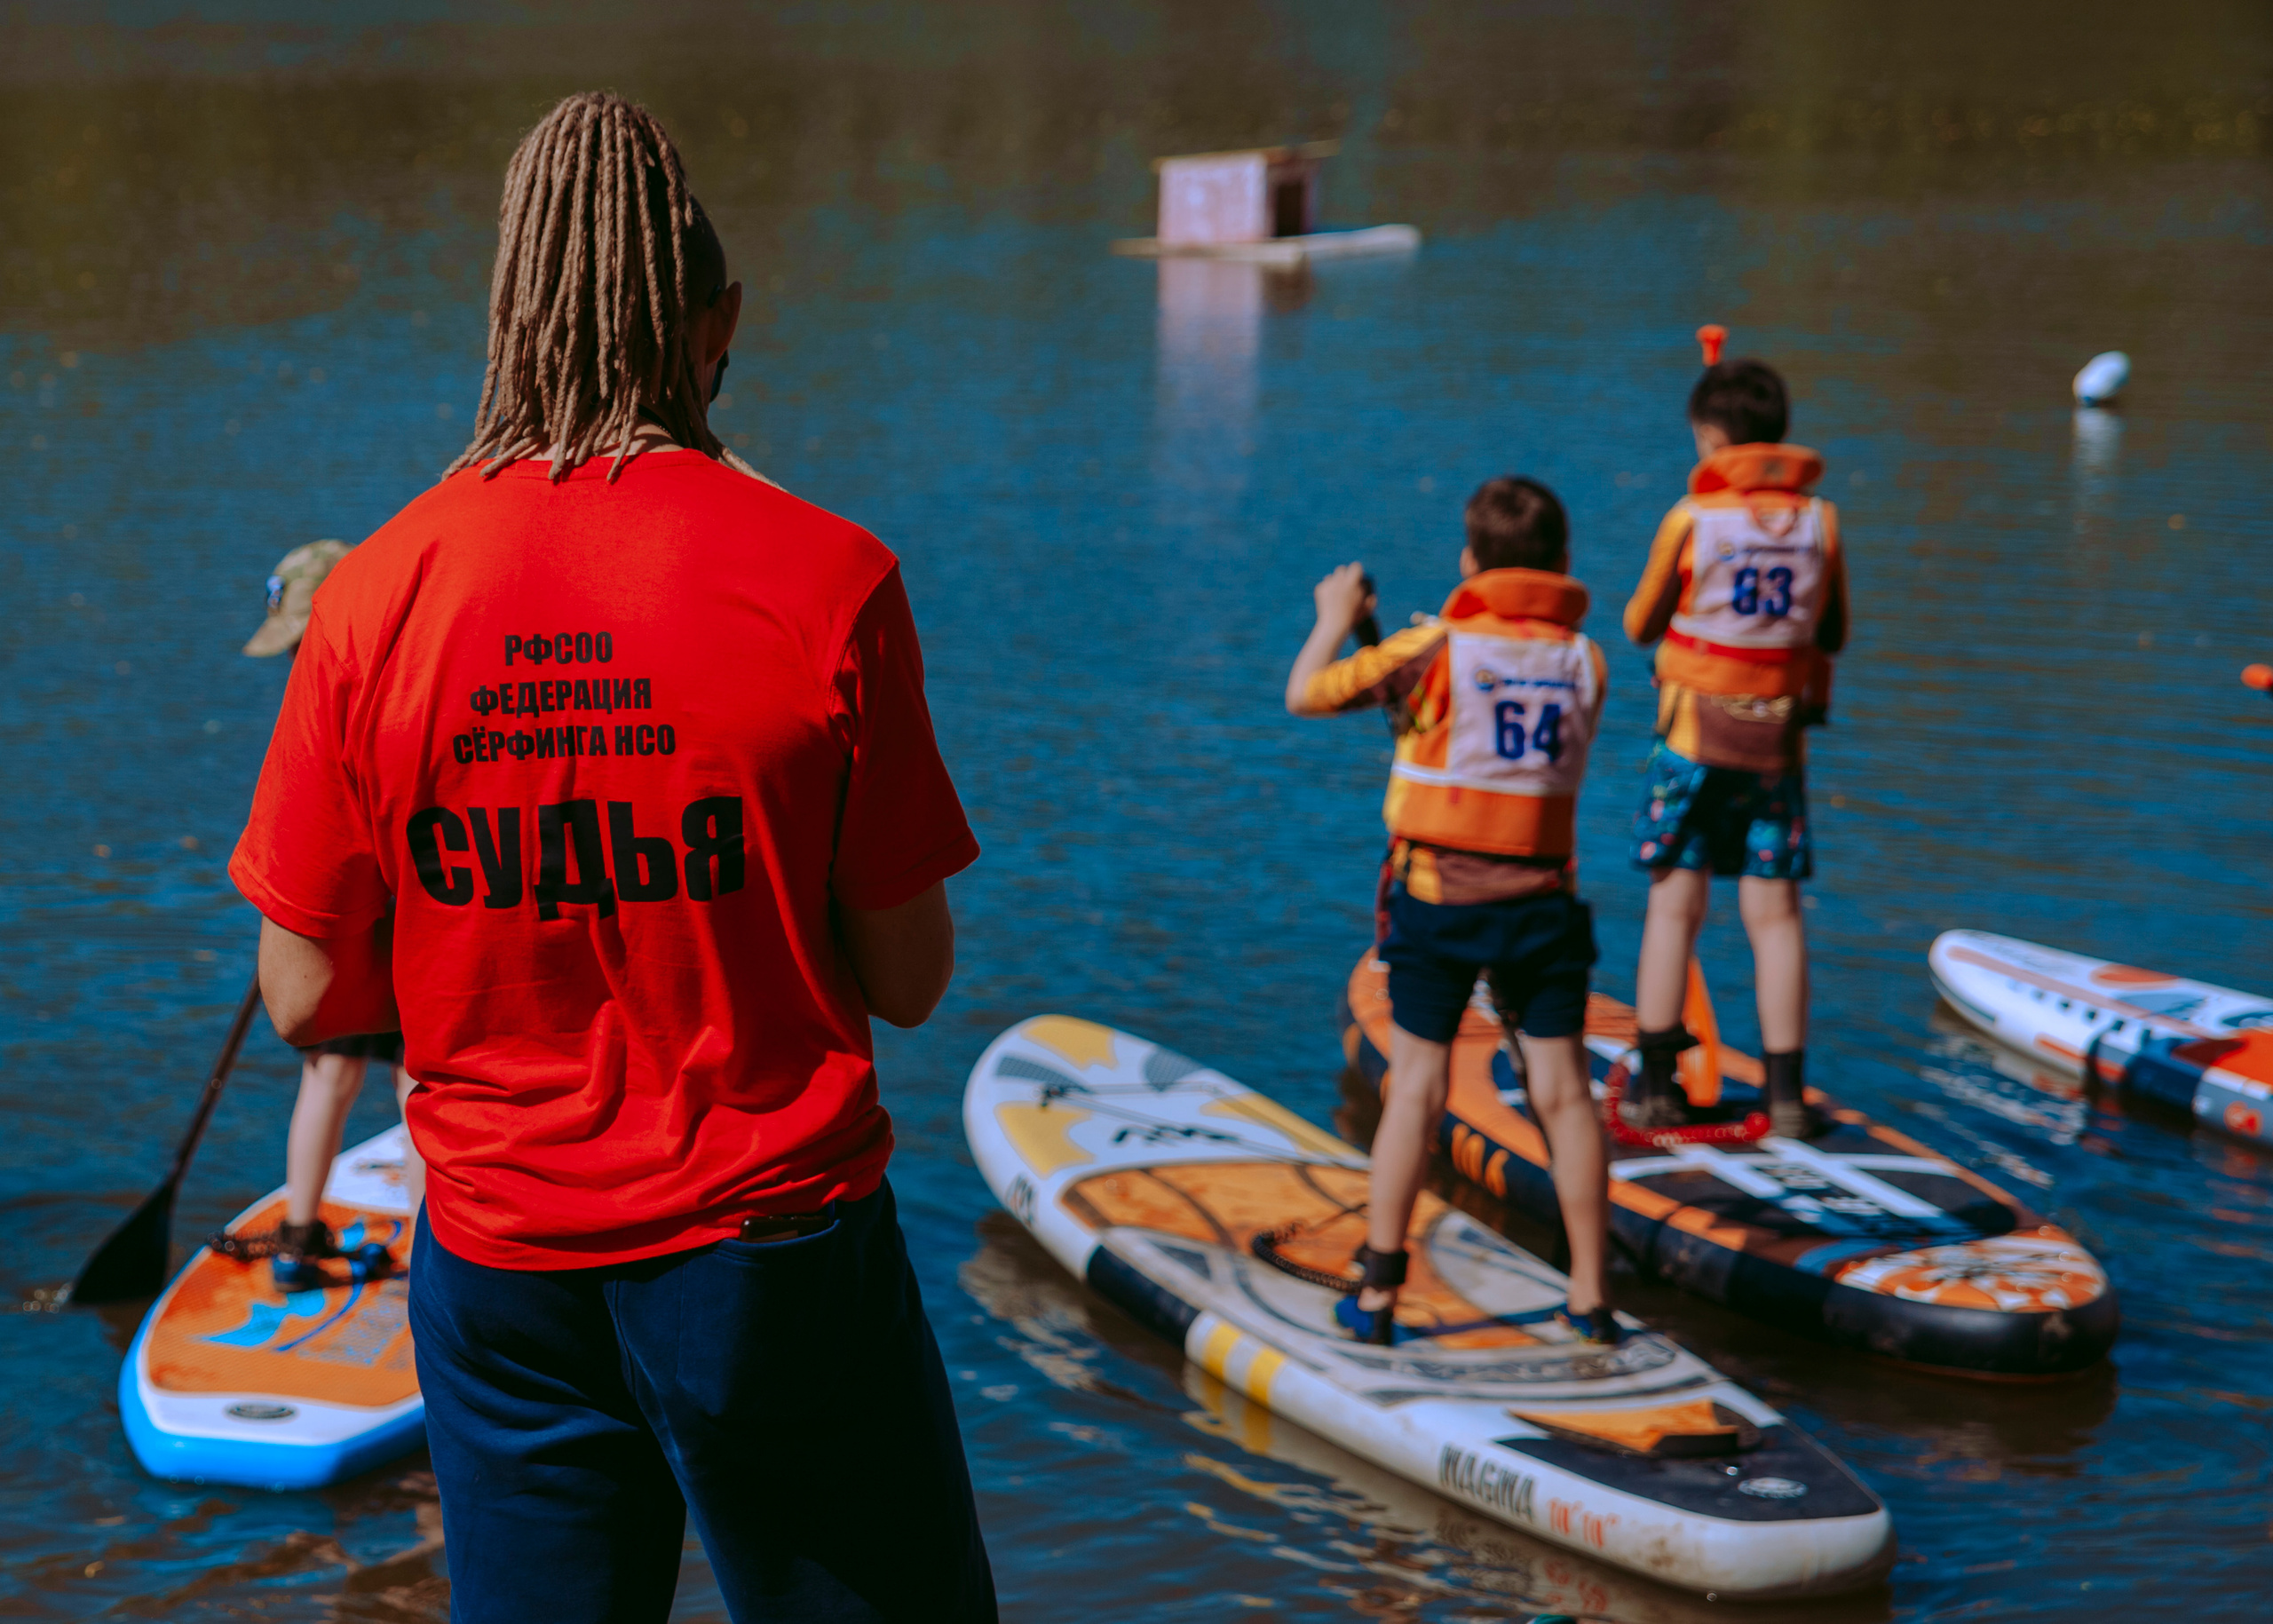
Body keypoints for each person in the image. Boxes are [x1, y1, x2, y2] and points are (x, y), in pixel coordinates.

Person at [228, 92, 993, 1623]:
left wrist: (487, 927)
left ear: (507, 316)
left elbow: (305, 992)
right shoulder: (829, 577)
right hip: (768, 1251)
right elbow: (909, 976)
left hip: (503, 1268)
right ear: (719, 324)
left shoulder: (374, 596)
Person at [1285, 477, 1618, 1346]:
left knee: (1418, 1089)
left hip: (1438, 905)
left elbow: (1308, 692)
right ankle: (1590, 1298)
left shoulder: (1433, 646)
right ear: (1562, 564)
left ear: (1471, 559)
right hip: (1544, 907)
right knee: (1563, 1095)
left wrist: (1334, 613)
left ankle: (1380, 1294)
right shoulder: (1586, 660)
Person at [1621, 353, 1849, 1137]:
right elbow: (1834, 632)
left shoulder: (1692, 518)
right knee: (1776, 913)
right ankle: (1785, 1098)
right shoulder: (1821, 521)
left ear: (1711, 440)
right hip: (1775, 744)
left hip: (1691, 738)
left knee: (1674, 904)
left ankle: (1654, 1086)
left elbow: (1640, 623)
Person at [226, 540, 424, 1289]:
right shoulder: (400, 677)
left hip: (360, 905)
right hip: (389, 905)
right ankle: (329, 1237)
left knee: (349, 1068)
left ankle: (302, 1239)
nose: (292, 662)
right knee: (403, 1076)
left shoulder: (326, 694)